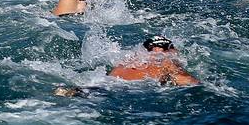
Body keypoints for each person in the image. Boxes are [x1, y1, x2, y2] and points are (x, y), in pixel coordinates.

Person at [54, 35, 199, 96]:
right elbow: (190, 83)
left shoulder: (128, 59)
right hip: (116, 90)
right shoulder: (166, 61)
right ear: (165, 49)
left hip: (97, 84)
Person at [108, 36, 200, 86]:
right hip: (131, 90)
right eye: (172, 48)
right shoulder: (166, 61)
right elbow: (189, 82)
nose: (176, 51)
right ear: (158, 49)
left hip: (102, 85)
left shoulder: (127, 61)